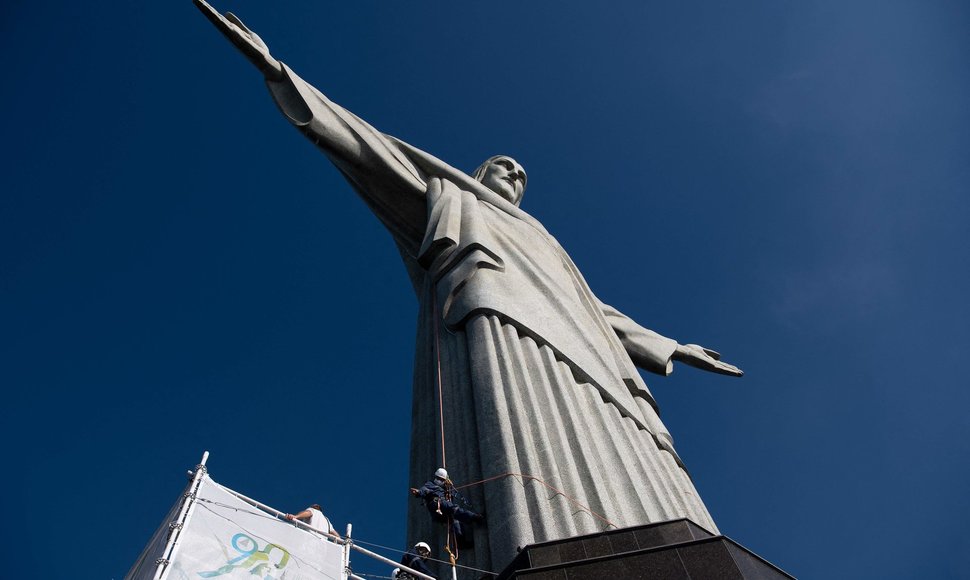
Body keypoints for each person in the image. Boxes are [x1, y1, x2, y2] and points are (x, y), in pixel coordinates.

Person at [195, 1, 743, 573]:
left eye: (523, 177)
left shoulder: (546, 240)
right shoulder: (452, 194)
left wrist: (671, 346)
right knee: (525, 434)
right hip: (503, 318)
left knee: (639, 454)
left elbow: (597, 309)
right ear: (480, 174)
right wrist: (278, 71)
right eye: (505, 168)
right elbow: (368, 149)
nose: (516, 177)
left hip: (596, 354)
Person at [411, 468, 483, 547]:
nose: (440, 481)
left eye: (442, 479)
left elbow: (451, 494)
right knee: (454, 509)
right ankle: (474, 518)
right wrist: (418, 492)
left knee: (455, 521)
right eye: (439, 479)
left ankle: (461, 541)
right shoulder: (430, 484)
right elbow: (423, 490)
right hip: (438, 504)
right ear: (436, 477)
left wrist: (448, 487)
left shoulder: (444, 488)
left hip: (441, 511)